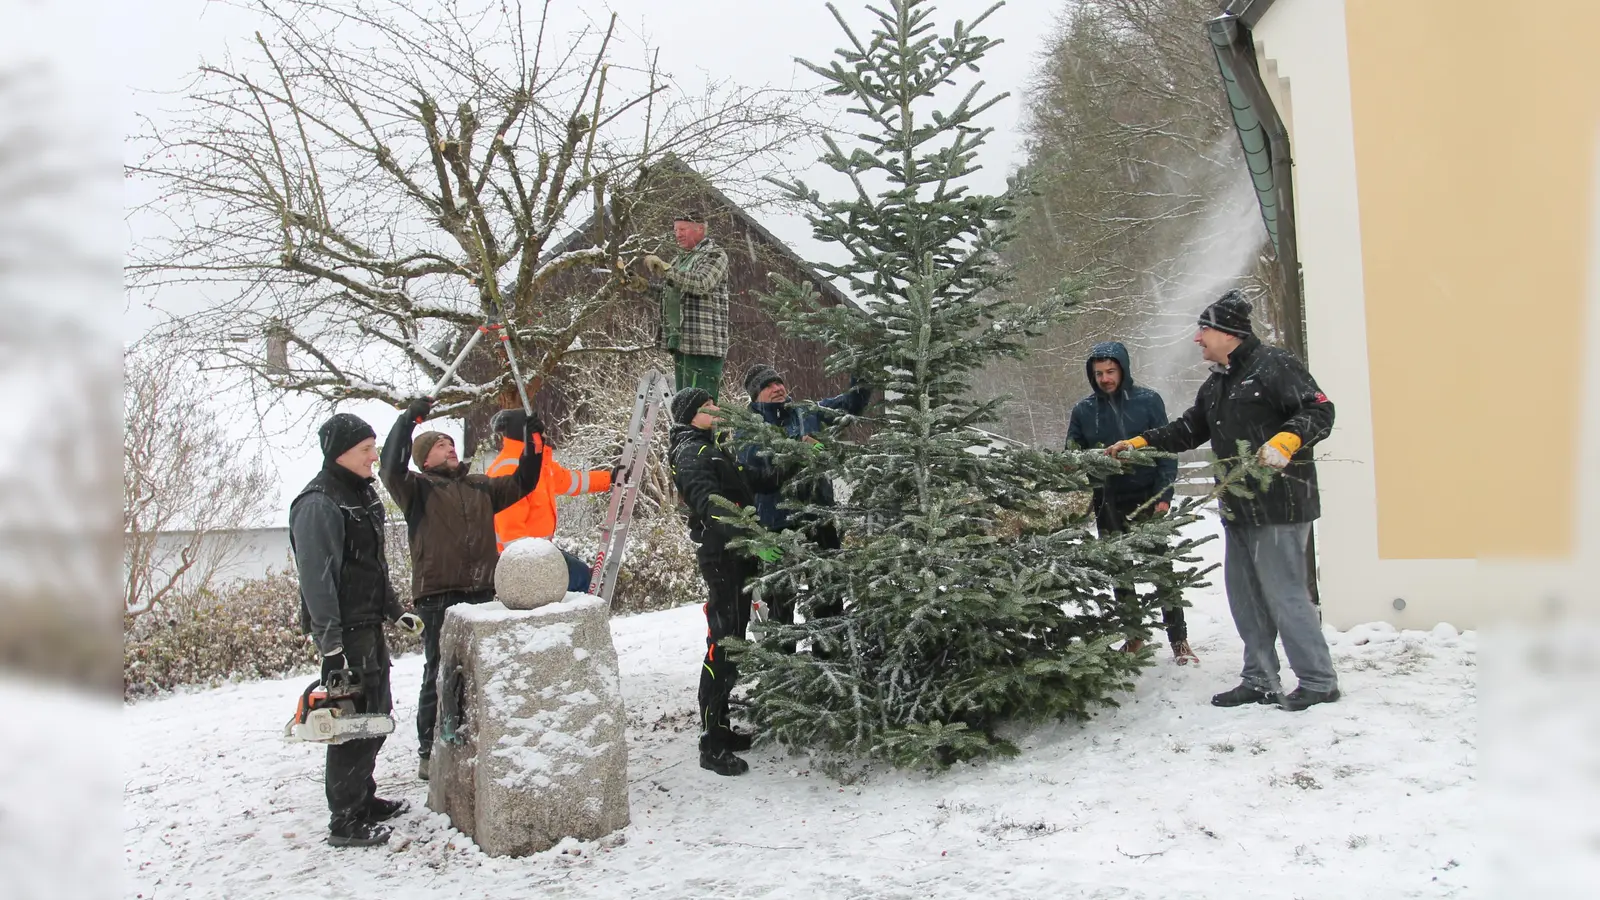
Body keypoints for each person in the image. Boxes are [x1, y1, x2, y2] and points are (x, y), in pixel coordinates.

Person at [1108, 290, 1338, 711]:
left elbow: (1319, 410)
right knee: (1246, 599)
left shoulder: (1275, 365)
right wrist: (1139, 442)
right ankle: (1260, 679)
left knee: (1285, 595)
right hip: (1238, 508)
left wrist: (1287, 440)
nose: (1197, 338)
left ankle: (1319, 680)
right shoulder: (1217, 383)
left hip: (1281, 504)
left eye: (1204, 329)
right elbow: (1187, 430)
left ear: (1229, 332)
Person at [380, 398, 544, 779]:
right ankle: (429, 749)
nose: (450, 448)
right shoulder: (416, 489)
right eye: (440, 445)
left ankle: (476, 740)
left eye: (451, 443)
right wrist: (409, 420)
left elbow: (524, 481)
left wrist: (533, 444)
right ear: (424, 459)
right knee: (440, 672)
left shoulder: (479, 486)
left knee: (481, 671)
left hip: (482, 593)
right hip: (439, 595)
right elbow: (389, 466)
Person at [289, 412, 423, 847]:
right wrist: (331, 648)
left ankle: (363, 796)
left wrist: (394, 610)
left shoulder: (361, 496)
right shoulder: (318, 503)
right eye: (366, 449)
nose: (373, 457)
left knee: (376, 714)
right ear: (340, 453)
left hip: (367, 624)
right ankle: (345, 819)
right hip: (345, 631)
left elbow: (372, 566)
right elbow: (318, 582)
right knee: (351, 721)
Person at [667, 386, 781, 776]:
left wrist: (793, 461)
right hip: (722, 557)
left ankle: (721, 728)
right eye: (707, 406)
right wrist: (752, 537)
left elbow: (750, 482)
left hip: (736, 555)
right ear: (691, 415)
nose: (716, 409)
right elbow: (710, 504)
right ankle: (711, 744)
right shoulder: (690, 452)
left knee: (733, 641)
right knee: (724, 645)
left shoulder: (710, 448)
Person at [1065, 341, 1197, 665]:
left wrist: (1163, 497)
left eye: (1110, 371)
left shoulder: (1148, 401)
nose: (1105, 379)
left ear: (1123, 369)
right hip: (1107, 500)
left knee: (1161, 569)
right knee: (1119, 571)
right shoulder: (1083, 411)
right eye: (1099, 373)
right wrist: (1083, 463)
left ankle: (1179, 640)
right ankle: (1134, 636)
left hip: (1147, 497)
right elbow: (1071, 453)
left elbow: (1166, 451)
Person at [736, 362, 871, 628]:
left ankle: (829, 647)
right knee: (780, 606)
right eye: (768, 386)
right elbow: (757, 463)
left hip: (818, 518)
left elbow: (849, 405)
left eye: (779, 382)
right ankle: (782, 653)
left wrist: (862, 373)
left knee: (829, 597)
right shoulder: (748, 427)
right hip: (778, 526)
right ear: (755, 395)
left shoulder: (805, 412)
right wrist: (799, 448)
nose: (778, 388)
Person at [484, 408, 618, 593]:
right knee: (580, 580)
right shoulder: (510, 469)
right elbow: (511, 532)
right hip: (524, 560)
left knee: (582, 576)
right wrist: (534, 568)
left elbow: (570, 481)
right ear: (527, 433)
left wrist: (609, 478)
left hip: (540, 553)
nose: (545, 431)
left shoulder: (538, 465)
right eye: (539, 428)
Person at [644, 211, 729, 398]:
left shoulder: (714, 254)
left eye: (682, 229)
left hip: (702, 344)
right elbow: (669, 295)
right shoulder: (680, 260)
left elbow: (701, 283)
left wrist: (667, 270)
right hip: (682, 343)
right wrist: (640, 286)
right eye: (675, 230)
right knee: (684, 405)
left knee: (700, 405)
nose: (678, 234)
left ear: (700, 229)